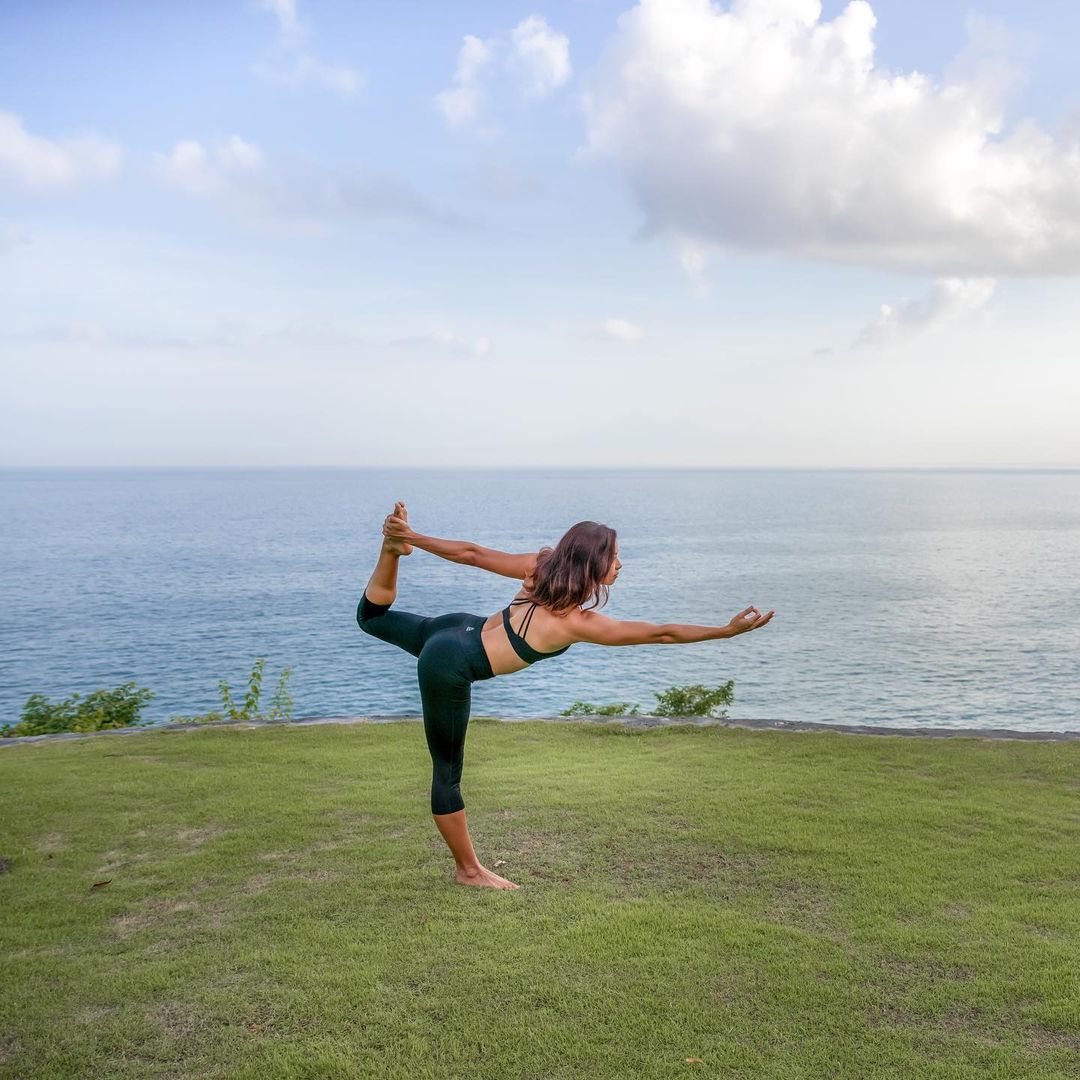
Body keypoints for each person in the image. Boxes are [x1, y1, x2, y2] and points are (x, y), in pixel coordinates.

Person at [357, 500, 775, 890]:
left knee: (371, 617)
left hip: (457, 627)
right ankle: (468, 871)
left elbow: (472, 554)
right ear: (593, 562)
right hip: (449, 662)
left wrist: (411, 538)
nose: (619, 564)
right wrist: (723, 631)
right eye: (614, 557)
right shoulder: (574, 622)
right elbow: (660, 633)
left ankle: (392, 550)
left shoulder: (539, 567)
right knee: (447, 772)